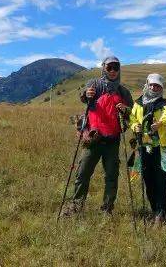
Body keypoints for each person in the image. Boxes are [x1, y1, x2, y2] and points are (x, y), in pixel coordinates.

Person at [62, 56, 133, 216]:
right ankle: (76, 206)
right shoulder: (94, 84)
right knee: (82, 173)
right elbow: (84, 96)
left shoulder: (123, 92)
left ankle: (107, 209)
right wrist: (86, 94)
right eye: (109, 67)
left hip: (112, 140)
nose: (113, 71)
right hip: (93, 138)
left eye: (116, 67)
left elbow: (132, 113)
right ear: (103, 68)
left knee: (111, 176)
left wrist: (125, 110)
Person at [128, 73, 166, 227]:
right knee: (148, 180)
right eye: (152, 85)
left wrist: (159, 124)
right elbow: (132, 119)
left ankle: (161, 213)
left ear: (161, 88)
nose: (154, 88)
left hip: (161, 148)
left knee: (162, 181)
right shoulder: (138, 103)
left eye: (158, 86)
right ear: (147, 85)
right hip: (143, 147)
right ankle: (155, 210)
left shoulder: (165, 104)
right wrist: (136, 126)